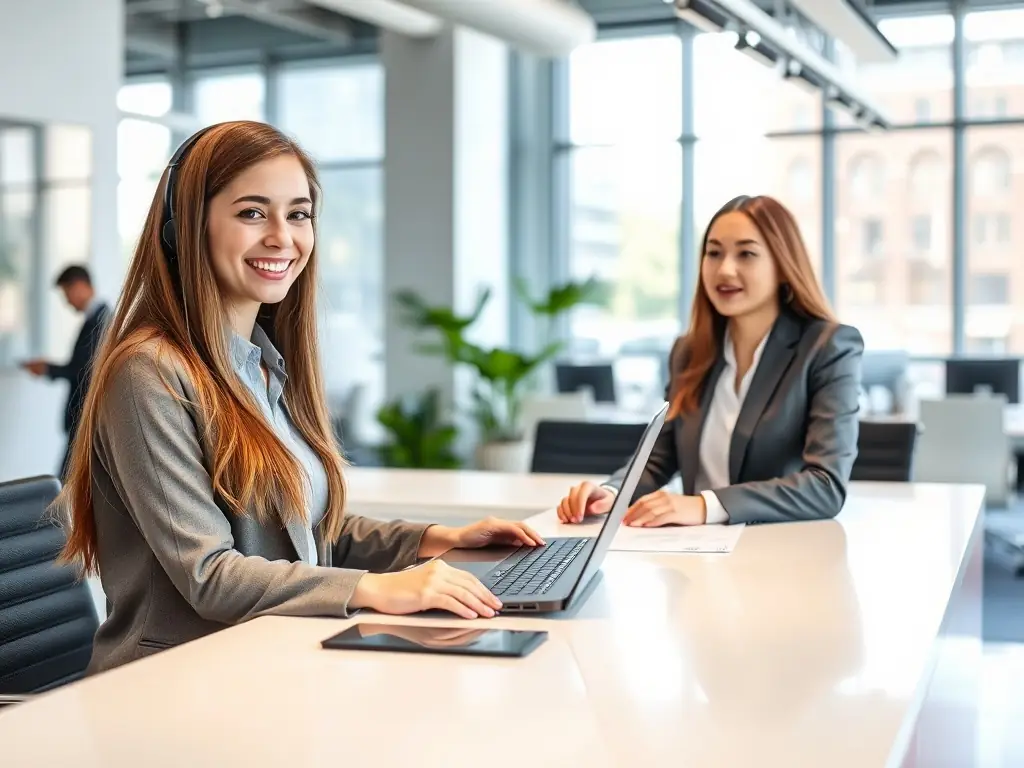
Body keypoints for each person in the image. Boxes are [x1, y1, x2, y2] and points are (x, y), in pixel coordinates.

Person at [55, 121, 544, 675]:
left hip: (271, 660)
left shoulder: (262, 366)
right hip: (178, 681)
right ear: (183, 229)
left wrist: (433, 539)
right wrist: (377, 588)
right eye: (252, 212)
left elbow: (302, 529)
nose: (282, 237)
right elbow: (210, 576)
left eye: (298, 214)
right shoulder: (150, 374)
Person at [556, 194, 863, 528]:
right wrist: (612, 493)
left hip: (779, 551)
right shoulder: (689, 351)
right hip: (693, 553)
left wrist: (706, 506)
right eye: (713, 253)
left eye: (746, 254)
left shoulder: (827, 347)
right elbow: (662, 455)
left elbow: (826, 485)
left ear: (783, 268)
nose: (724, 269)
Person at [20, 265, 110, 481]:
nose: (67, 301)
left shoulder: (100, 321)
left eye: (66, 293)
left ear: (79, 286)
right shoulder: (96, 319)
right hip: (83, 418)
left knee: (66, 484)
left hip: (86, 417)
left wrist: (48, 369)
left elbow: (84, 370)